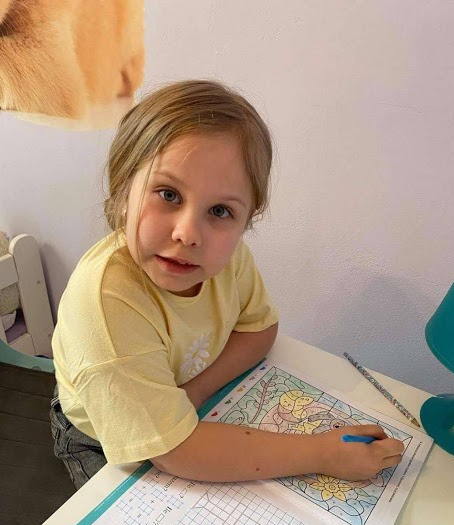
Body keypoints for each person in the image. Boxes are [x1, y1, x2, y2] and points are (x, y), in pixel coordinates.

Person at [50, 79, 404, 489]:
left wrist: (195, 391)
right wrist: (323, 453)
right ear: (122, 191)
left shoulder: (228, 259)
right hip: (98, 435)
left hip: (181, 407)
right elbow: (175, 451)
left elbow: (259, 330)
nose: (188, 234)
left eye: (220, 211)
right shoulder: (105, 301)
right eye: (168, 194)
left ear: (246, 221)